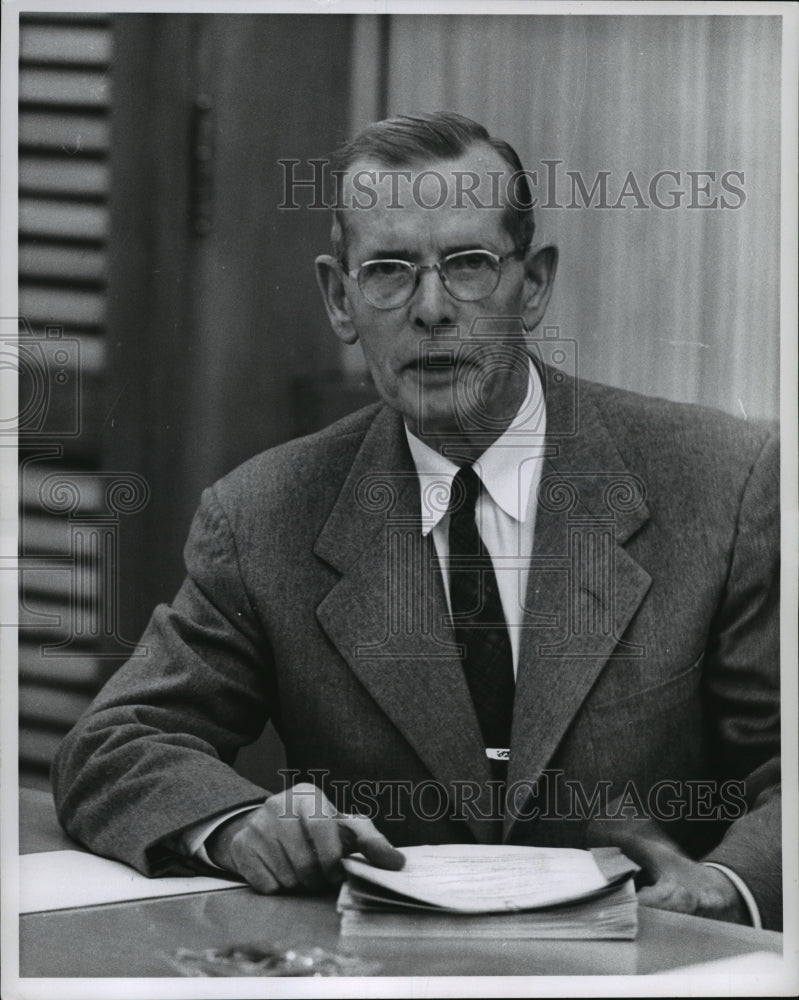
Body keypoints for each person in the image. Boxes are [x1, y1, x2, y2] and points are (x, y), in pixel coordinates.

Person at [52, 112, 781, 931]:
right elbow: (116, 744)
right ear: (339, 298)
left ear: (533, 285)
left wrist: (726, 885)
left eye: (469, 266)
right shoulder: (263, 516)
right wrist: (237, 824)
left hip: (654, 966)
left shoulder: (722, 480)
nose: (431, 309)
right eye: (390, 271)